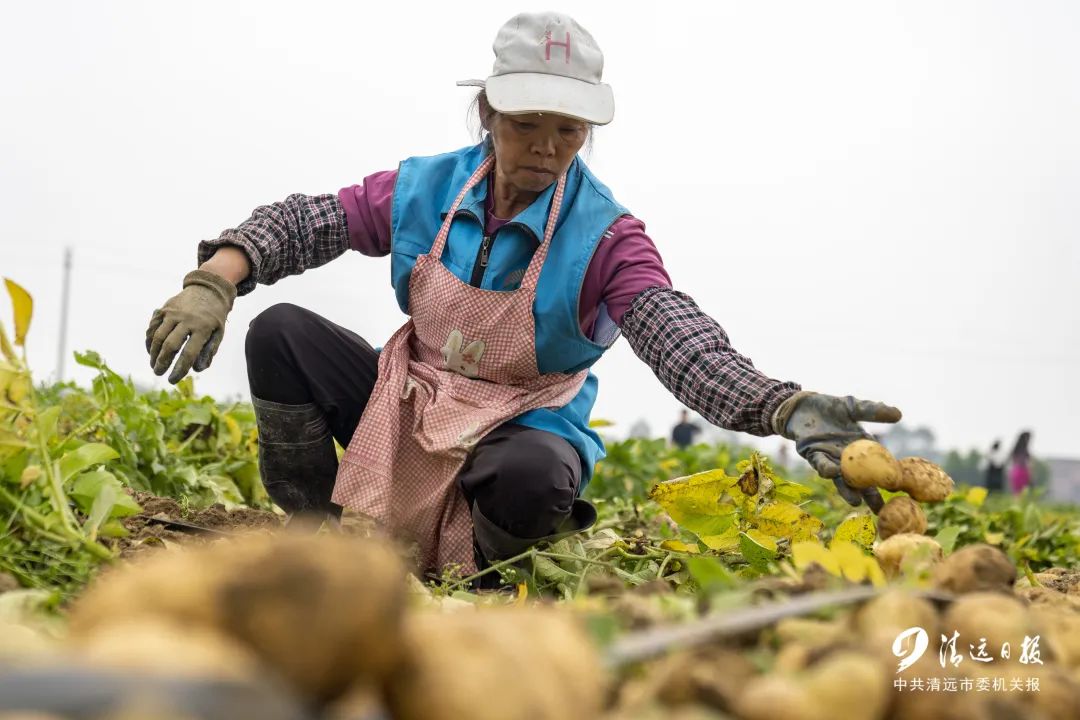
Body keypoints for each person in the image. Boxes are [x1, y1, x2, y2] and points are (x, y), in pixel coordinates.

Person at [144, 11, 901, 578]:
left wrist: (784, 405)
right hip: (406, 405)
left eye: (567, 130)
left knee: (532, 475)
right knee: (280, 333)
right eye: (526, 123)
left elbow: (679, 337)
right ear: (488, 115)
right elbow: (311, 221)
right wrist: (218, 276)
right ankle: (318, 544)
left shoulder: (607, 236)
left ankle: (497, 575)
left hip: (518, 430)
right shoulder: (427, 189)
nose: (545, 146)